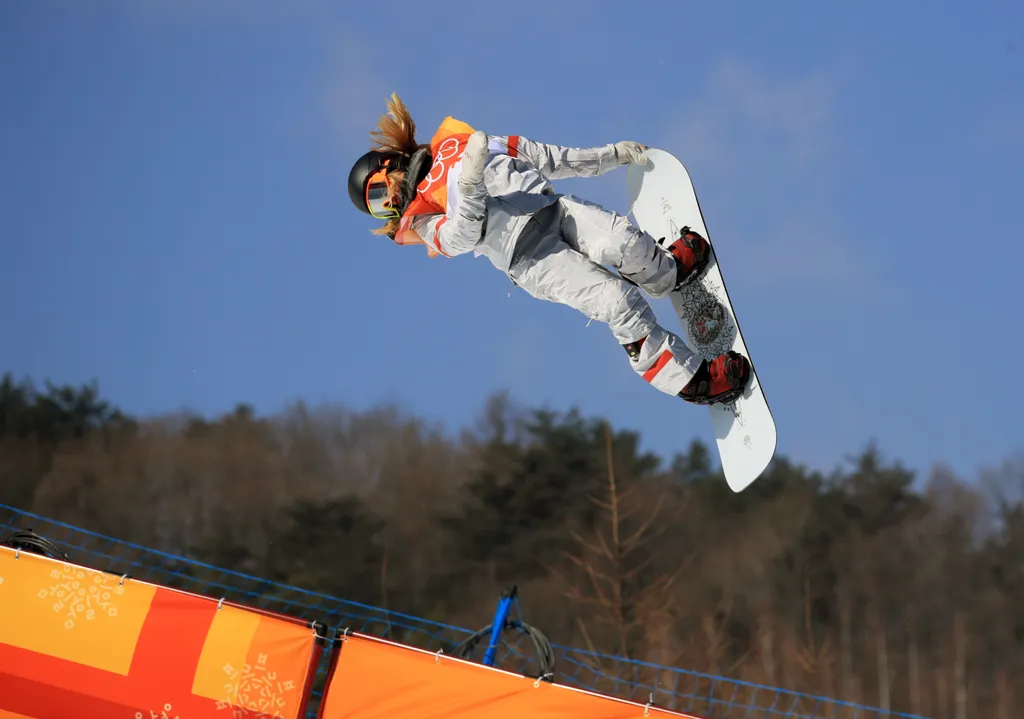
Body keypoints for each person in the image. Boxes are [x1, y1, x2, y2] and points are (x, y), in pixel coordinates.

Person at [347, 93, 751, 405]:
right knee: (617, 302)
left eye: (381, 193)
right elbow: (459, 238)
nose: (391, 203)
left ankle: (668, 271)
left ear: (391, 164)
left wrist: (609, 156)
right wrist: (468, 188)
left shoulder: (458, 143)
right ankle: (693, 380)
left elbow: (542, 157)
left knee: (622, 242)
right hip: (530, 258)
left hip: (549, 206)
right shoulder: (419, 218)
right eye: (379, 207)